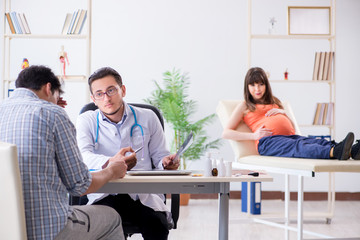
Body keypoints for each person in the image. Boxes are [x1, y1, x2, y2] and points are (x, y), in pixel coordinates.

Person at [0, 65, 137, 240]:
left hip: (6, 228)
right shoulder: (53, 114)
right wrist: (111, 170)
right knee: (111, 218)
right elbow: (79, 185)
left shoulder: (3, 109)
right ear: (49, 88)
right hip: (48, 229)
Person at [76, 67, 180, 240]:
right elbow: (83, 157)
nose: (107, 98)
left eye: (111, 90)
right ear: (93, 99)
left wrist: (166, 162)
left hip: (142, 194)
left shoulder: (148, 117)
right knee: (105, 225)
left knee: (156, 224)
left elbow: (159, 156)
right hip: (104, 193)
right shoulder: (86, 120)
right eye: (100, 94)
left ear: (122, 90)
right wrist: (113, 162)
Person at [222, 67, 360, 160]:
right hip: (268, 142)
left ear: (266, 85)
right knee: (299, 147)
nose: (257, 89)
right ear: (247, 87)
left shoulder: (275, 101)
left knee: (313, 141)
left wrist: (284, 113)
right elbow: (226, 133)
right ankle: (335, 152)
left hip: (290, 137)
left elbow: (292, 127)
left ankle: (352, 151)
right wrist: (254, 136)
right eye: (253, 85)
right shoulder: (245, 105)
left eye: (260, 84)